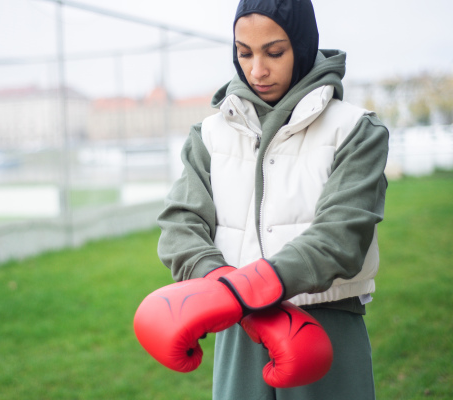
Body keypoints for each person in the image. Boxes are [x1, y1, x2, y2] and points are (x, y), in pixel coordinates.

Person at [155, 0, 389, 398]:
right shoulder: (209, 133)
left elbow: (342, 236)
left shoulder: (356, 129)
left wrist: (246, 289)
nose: (256, 70)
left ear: (302, 45)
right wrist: (221, 285)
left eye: (274, 52)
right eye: (243, 53)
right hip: (238, 331)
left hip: (325, 326)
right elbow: (180, 224)